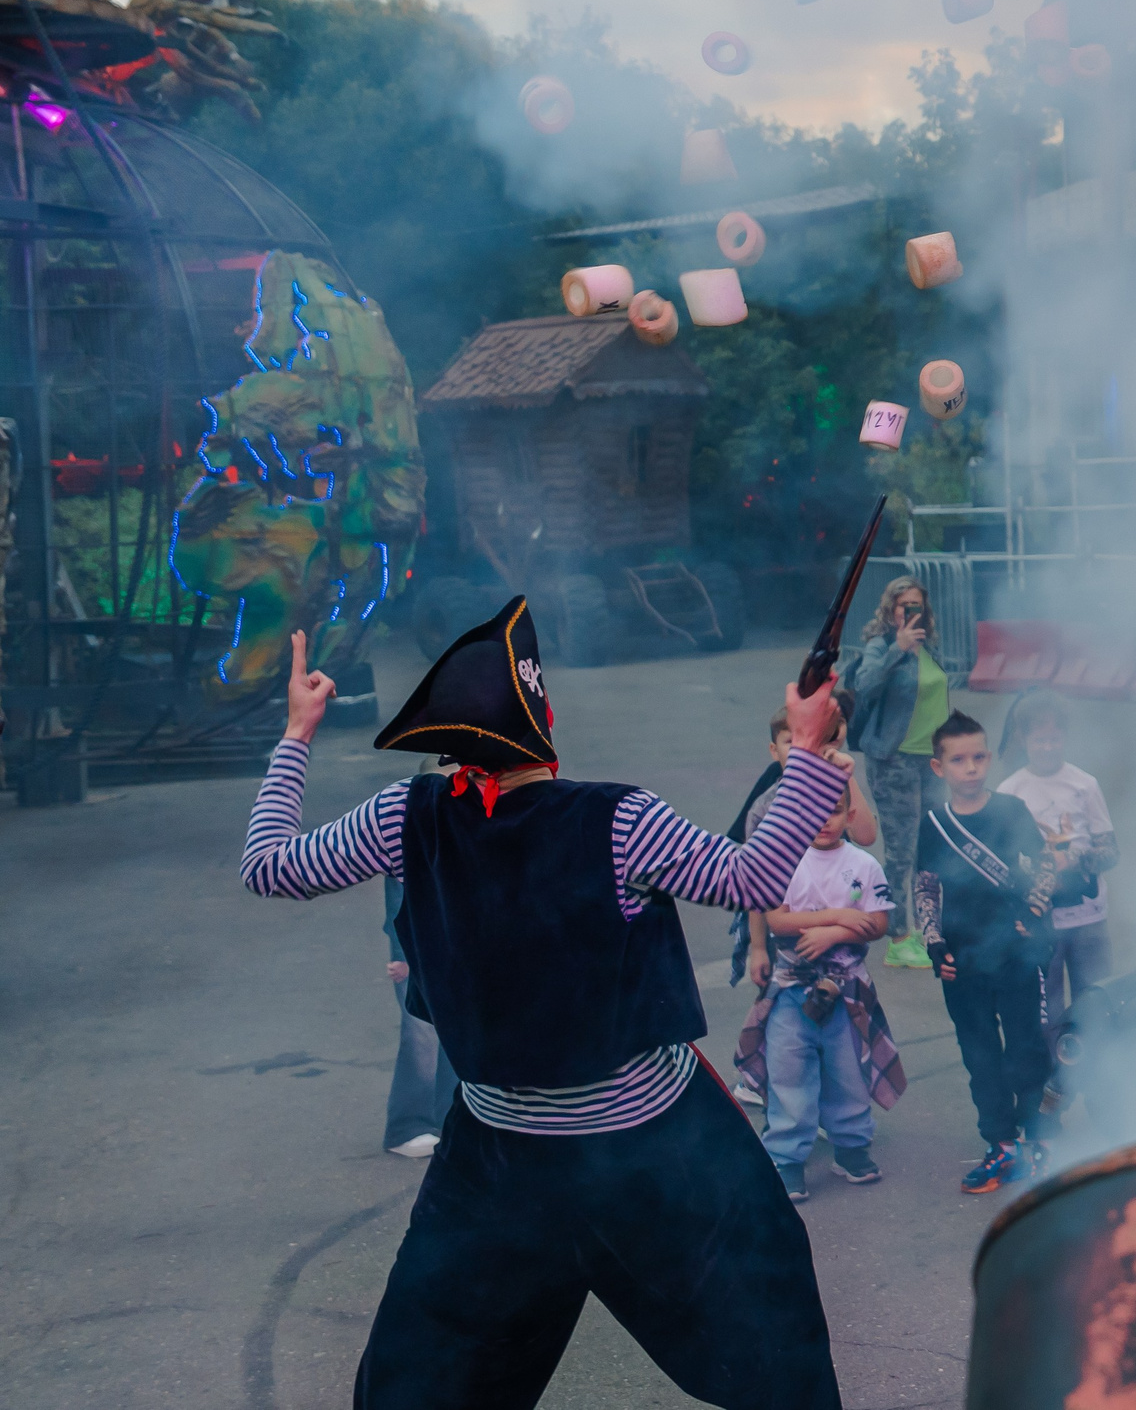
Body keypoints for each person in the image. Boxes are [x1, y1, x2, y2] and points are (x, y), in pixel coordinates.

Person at [240, 601, 846, 1408]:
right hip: (652, 1156)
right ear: (543, 720)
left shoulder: (403, 815)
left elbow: (268, 865)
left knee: (416, 1388)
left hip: (499, 1161)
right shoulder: (620, 819)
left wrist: (296, 733)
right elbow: (753, 877)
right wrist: (807, 749)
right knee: (776, 1350)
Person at [914, 710, 1083, 1193]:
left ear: (989, 758)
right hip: (963, 962)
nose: (971, 768)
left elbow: (1045, 865)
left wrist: (1034, 911)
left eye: (978, 757)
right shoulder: (934, 823)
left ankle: (1041, 1141)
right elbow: (925, 886)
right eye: (958, 760)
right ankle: (1001, 1145)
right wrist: (934, 943)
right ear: (938, 767)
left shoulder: (1011, 810)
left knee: (1026, 1052)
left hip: (1017, 956)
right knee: (980, 1056)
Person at [727, 707, 878, 1106]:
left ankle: (827, 1095)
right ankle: (763, 1081)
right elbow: (756, 883)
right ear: (774, 750)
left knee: (833, 1007)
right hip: (782, 925)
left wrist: (845, 774)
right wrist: (758, 947)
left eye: (815, 742)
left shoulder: (837, 790)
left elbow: (866, 834)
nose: (804, 751)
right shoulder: (767, 805)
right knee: (781, 1006)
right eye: (791, 743)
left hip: (836, 926)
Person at [758, 788, 902, 1201]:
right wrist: (840, 916)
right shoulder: (783, 862)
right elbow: (777, 920)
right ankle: (787, 1158)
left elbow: (878, 924)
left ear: (849, 815)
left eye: (834, 811)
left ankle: (851, 1147)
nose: (824, 821)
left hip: (848, 989)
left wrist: (834, 935)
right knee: (789, 1071)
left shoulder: (864, 864)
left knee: (849, 1070)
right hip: (791, 988)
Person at [993, 690, 1119, 1051]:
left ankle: (1098, 1071)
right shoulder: (1009, 791)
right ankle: (1054, 1074)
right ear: (1024, 739)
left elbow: (1111, 850)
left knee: (1095, 1000)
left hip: (1088, 917)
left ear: (1065, 736)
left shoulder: (1084, 785)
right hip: (1040, 922)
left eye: (1054, 738)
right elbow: (1003, 861)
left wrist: (1077, 860)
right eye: (1039, 739)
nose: (1047, 747)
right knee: (1046, 1008)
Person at [850, 576, 949, 969]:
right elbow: (865, 685)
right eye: (903, 605)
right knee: (901, 852)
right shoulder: (881, 646)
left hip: (932, 761)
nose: (911, 612)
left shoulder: (931, 647)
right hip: (895, 760)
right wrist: (898, 649)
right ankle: (898, 938)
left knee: (933, 846)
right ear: (890, 610)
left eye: (917, 605)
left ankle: (928, 927)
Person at [381, 874, 457, 1159]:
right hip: (421, 943)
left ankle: (448, 1118)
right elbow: (400, 889)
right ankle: (407, 1128)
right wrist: (402, 953)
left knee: (453, 1030)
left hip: (455, 936)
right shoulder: (407, 840)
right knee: (422, 1031)